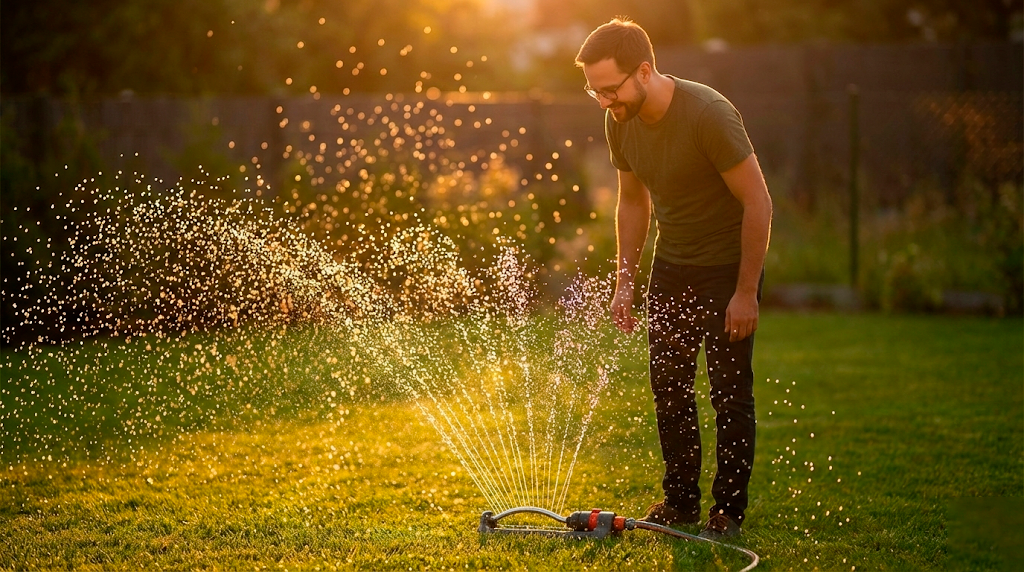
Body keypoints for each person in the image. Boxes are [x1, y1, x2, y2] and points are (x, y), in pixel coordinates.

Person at [575, 18, 772, 540]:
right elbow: (633, 201)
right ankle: (682, 502)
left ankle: (727, 512)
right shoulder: (620, 118)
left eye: (610, 89)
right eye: (594, 91)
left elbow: (758, 201)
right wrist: (624, 283)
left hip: (726, 269)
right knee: (669, 390)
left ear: (644, 71)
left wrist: (746, 292)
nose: (603, 101)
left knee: (730, 394)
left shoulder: (708, 114)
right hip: (673, 265)